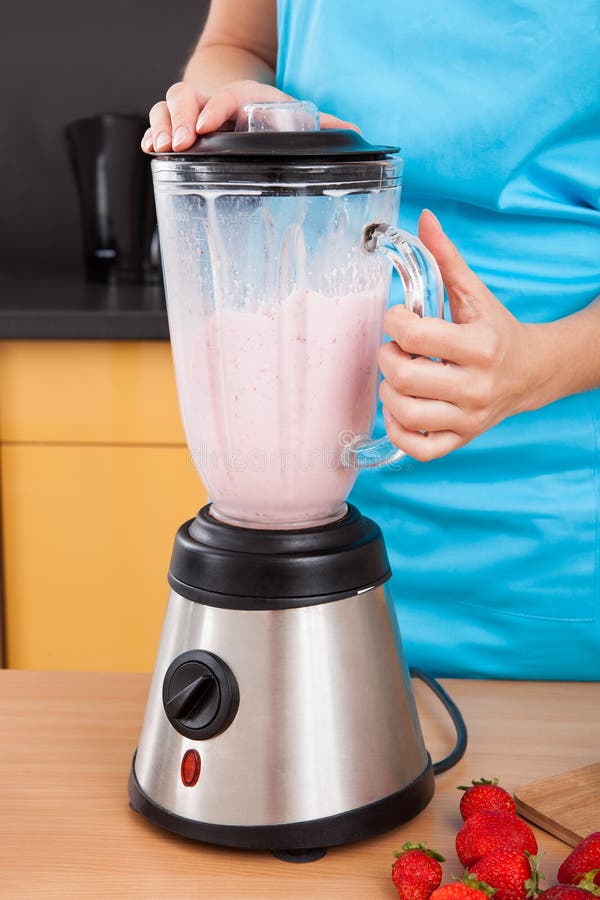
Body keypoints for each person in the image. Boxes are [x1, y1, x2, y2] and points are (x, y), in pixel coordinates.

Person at [143, 0, 600, 680]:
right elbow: (239, 41)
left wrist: (536, 369)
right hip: (326, 490)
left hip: (552, 541)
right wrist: (240, 105)